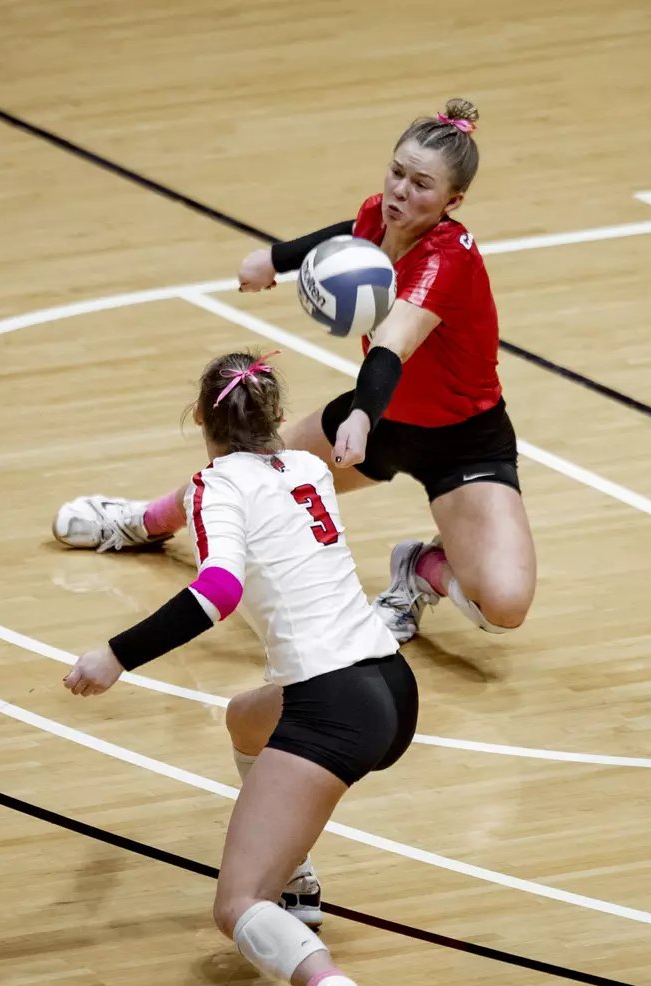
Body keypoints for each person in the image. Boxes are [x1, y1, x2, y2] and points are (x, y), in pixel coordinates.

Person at [55, 97, 537, 646]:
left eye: (421, 184)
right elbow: (351, 232)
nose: (401, 191)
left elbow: (392, 345)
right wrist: (276, 260)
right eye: (397, 172)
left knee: (504, 605)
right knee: (241, 476)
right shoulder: (381, 213)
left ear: (454, 200)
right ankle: (143, 523)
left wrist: (360, 413)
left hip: (462, 441)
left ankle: (418, 571)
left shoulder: (447, 259)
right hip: (382, 420)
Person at [63, 351, 418, 986]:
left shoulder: (213, 487)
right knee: (244, 718)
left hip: (331, 704)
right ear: (271, 417)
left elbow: (218, 590)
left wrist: (116, 656)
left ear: (201, 420)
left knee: (234, 905)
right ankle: (298, 883)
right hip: (391, 684)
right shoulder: (307, 469)